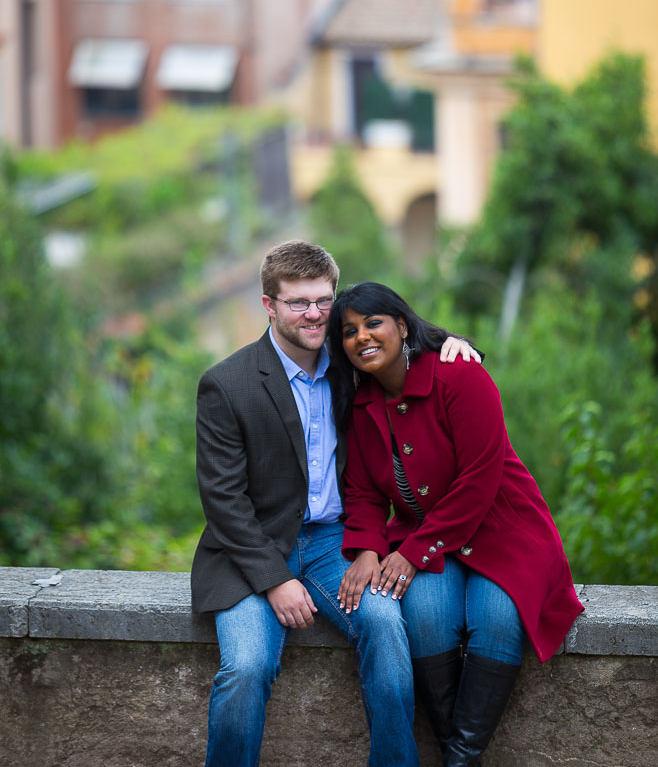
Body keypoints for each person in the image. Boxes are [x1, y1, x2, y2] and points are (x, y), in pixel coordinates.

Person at [191, 240, 479, 767]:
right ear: (269, 305)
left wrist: (452, 342)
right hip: (250, 551)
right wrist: (275, 580)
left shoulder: (352, 364)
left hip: (334, 544)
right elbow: (223, 500)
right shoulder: (226, 385)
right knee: (248, 666)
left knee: (387, 629)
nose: (314, 314)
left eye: (323, 300)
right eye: (298, 302)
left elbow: (402, 341)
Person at [328, 282, 584, 767]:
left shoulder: (457, 374)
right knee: (422, 617)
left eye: (373, 323)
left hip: (502, 531)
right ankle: (458, 756)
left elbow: (478, 480)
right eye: (349, 331)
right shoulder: (361, 406)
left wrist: (407, 553)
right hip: (430, 544)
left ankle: (458, 759)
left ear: (402, 325)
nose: (362, 336)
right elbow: (361, 492)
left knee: (496, 619)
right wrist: (365, 548)